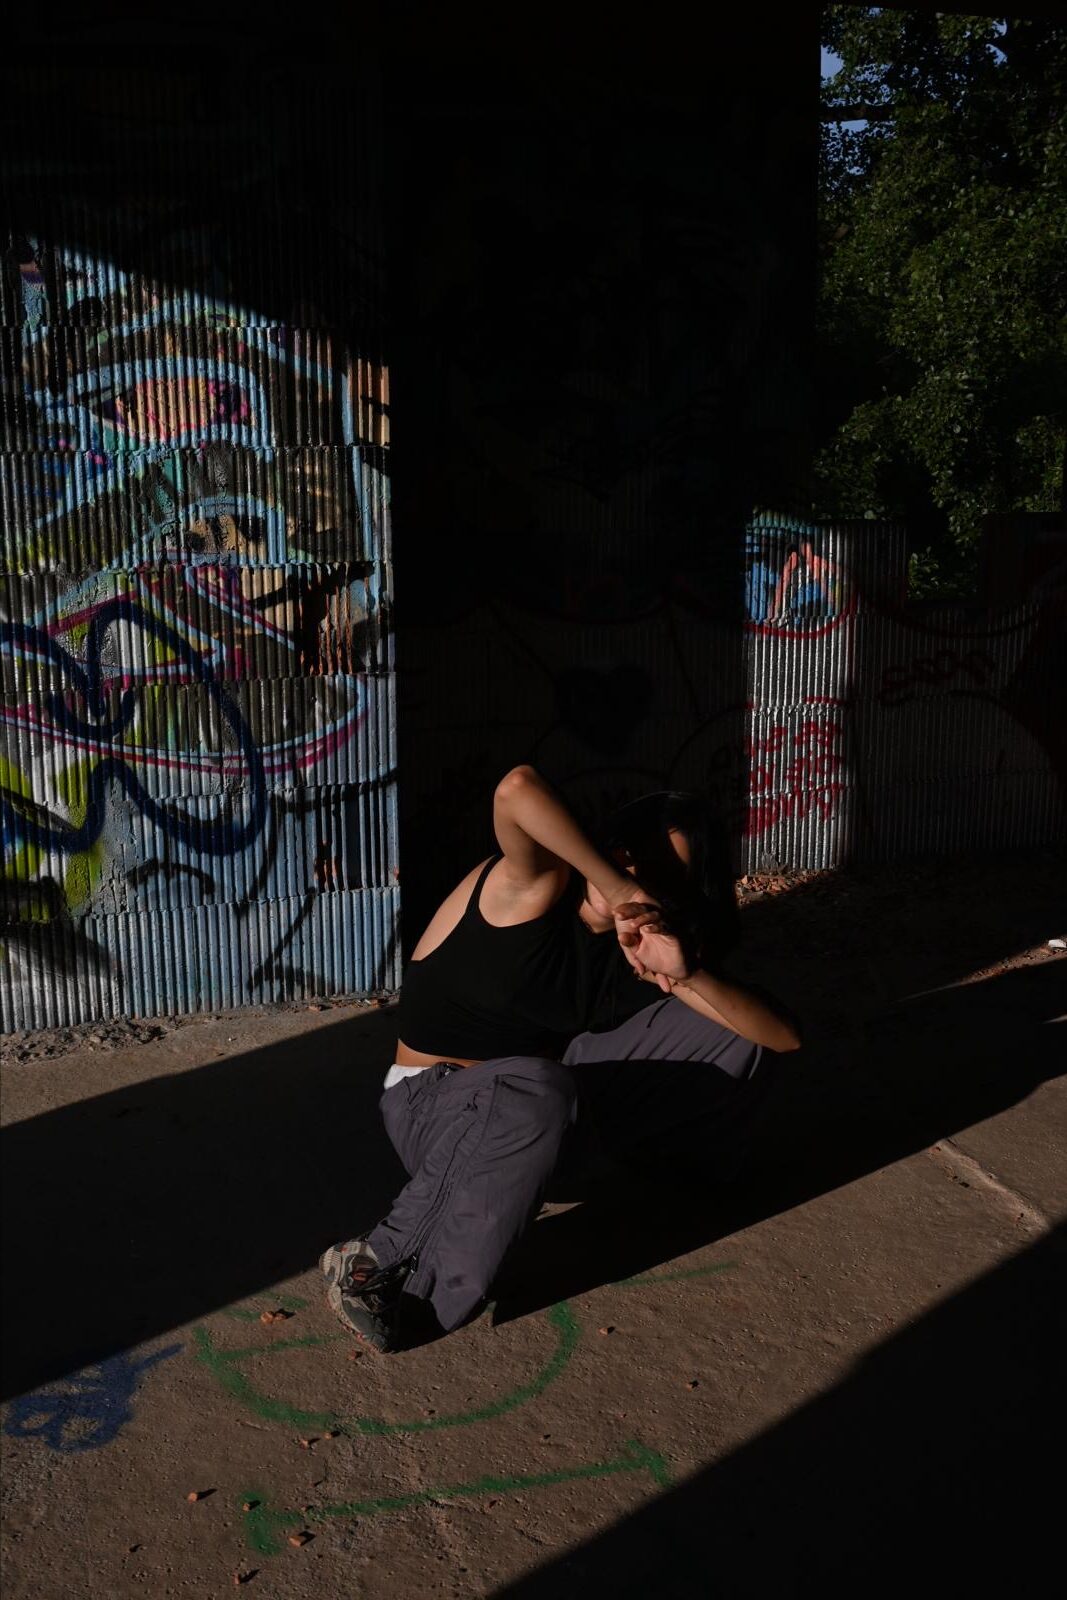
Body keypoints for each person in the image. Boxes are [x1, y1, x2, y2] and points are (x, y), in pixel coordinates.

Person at [321, 765, 800, 1351]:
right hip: (436, 1110)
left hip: (542, 1116)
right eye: (626, 852)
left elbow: (780, 1038)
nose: (631, 873)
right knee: (534, 1087)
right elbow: (516, 789)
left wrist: (687, 974)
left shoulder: (639, 945)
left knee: (727, 1026)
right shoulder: (535, 884)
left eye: (655, 873)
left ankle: (677, 1174)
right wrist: (618, 890)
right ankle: (384, 1266)